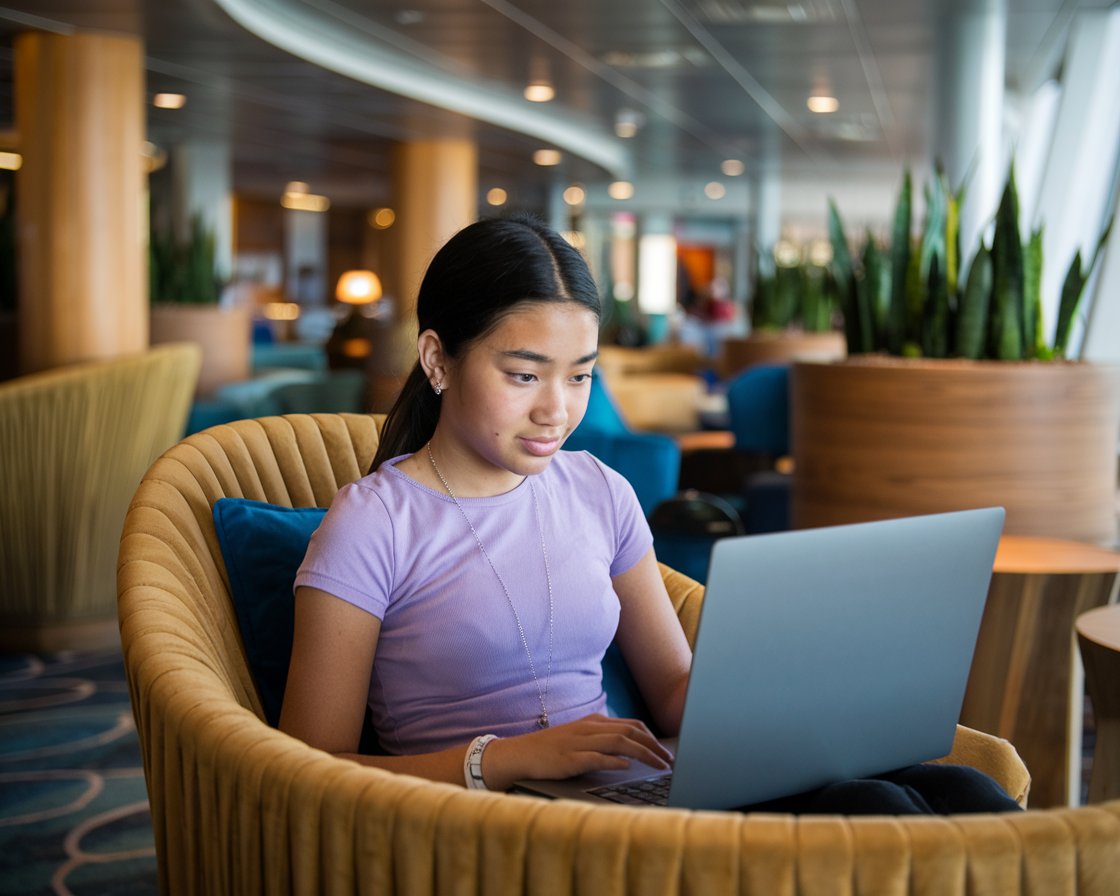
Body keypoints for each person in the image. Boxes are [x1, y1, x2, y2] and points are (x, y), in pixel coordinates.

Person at [280, 214, 1021, 814]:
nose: (557, 410)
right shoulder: (374, 522)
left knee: (962, 792)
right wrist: (502, 760)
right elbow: (306, 768)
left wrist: (798, 680)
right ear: (438, 360)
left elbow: (672, 691)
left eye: (580, 377)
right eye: (523, 374)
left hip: (638, 797)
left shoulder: (598, 490)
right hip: (491, 822)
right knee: (877, 818)